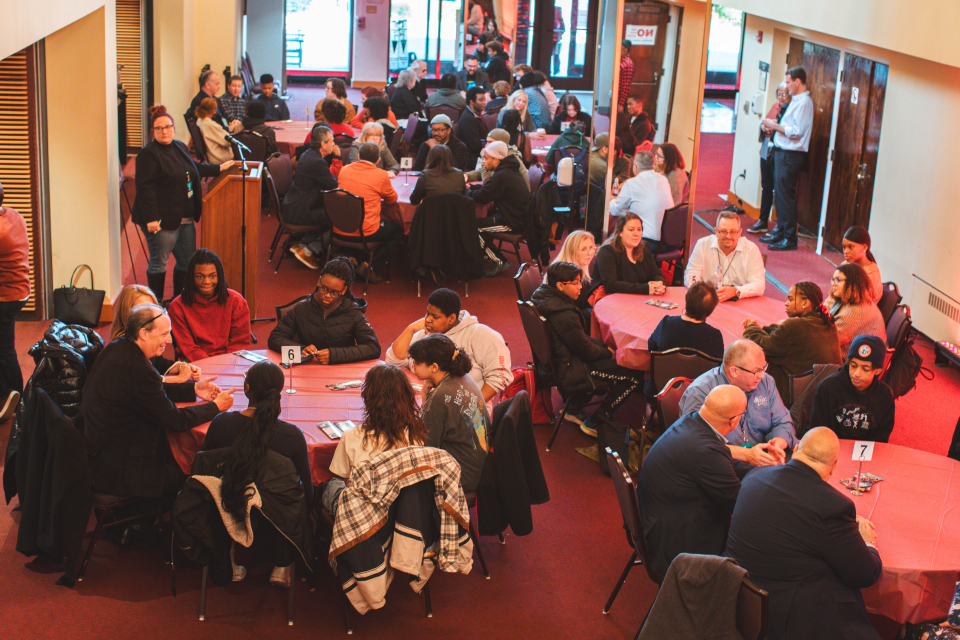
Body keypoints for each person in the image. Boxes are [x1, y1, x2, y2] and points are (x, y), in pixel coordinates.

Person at [725, 427, 883, 640]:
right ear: (834, 465)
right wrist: (868, 542)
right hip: (786, 616)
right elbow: (865, 574)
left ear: (797, 449)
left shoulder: (755, 476)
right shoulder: (834, 506)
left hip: (736, 596)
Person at [80, 303, 234, 502]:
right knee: (200, 475)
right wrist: (215, 407)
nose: (169, 341)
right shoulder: (138, 368)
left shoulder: (118, 347)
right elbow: (175, 420)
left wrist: (193, 389)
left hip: (99, 452)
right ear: (144, 333)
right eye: (164, 334)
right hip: (120, 469)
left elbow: (147, 394)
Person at [202, 360, 311, 587]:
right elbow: (307, 492)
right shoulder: (292, 435)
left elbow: (205, 475)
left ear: (247, 388)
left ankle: (227, 555)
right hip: (276, 516)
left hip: (228, 507)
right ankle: (282, 565)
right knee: (289, 497)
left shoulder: (220, 424)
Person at [638, 384, 747, 578]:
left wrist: (758, 466)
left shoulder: (690, 423)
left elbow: (721, 464)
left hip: (657, 522)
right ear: (734, 421)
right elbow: (740, 504)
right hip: (675, 545)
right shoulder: (706, 450)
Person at [531, 261, 644, 436]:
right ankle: (596, 421)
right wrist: (607, 352)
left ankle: (574, 409)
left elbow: (579, 341)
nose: (580, 287)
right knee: (634, 375)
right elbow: (585, 350)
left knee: (607, 348)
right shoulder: (564, 314)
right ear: (560, 285)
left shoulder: (543, 297)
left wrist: (604, 347)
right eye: (575, 283)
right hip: (570, 369)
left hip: (560, 360)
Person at [132, 106, 232, 303]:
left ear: (174, 127)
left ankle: (179, 302)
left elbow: (195, 168)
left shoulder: (179, 146)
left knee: (187, 263)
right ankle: (156, 304)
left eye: (167, 127)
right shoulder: (148, 154)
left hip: (185, 217)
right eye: (159, 129)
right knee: (159, 264)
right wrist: (151, 219)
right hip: (160, 219)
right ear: (153, 131)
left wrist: (220, 167)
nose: (164, 131)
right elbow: (145, 189)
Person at [385, 288, 513, 412]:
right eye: (427, 313)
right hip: (428, 406)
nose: (428, 319)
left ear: (451, 318)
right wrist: (410, 329)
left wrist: (470, 405)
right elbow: (393, 361)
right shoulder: (424, 333)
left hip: (466, 414)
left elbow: (500, 376)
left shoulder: (481, 334)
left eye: (435, 316)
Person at [322, 363, 425, 514]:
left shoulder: (352, 437)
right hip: (404, 513)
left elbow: (342, 477)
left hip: (363, 516)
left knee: (329, 485)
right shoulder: (418, 436)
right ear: (408, 397)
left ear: (367, 398)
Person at [680, 339, 797, 466]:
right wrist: (747, 454)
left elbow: (783, 422)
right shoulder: (701, 391)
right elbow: (696, 443)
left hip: (764, 459)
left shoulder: (767, 382)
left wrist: (775, 445)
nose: (762, 376)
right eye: (756, 371)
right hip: (724, 463)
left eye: (764, 368)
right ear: (734, 371)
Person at [409, 333, 491, 493]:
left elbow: (426, 446)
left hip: (461, 476)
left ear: (434, 367)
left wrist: (427, 399)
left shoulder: (440, 397)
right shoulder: (464, 378)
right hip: (478, 466)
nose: (413, 367)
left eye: (417, 363)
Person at [743, 281, 843, 404]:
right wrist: (761, 330)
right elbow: (781, 336)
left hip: (794, 396)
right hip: (821, 393)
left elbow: (763, 346)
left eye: (790, 299)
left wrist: (751, 327)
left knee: (754, 360)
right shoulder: (827, 323)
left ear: (805, 302)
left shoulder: (795, 325)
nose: (786, 303)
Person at [267, 257, 381, 363]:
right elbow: (275, 338)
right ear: (319, 281)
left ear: (344, 290)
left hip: (340, 371)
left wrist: (335, 355)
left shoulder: (353, 312)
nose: (327, 295)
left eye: (334, 292)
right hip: (306, 370)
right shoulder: (301, 308)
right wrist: (300, 350)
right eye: (324, 288)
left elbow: (373, 347)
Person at [760, 67, 813, 251]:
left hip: (791, 154)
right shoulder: (796, 101)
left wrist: (775, 126)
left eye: (789, 82)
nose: (787, 85)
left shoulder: (804, 102)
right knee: (780, 195)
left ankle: (789, 238)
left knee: (786, 196)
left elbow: (796, 132)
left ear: (798, 82)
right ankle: (781, 230)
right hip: (782, 152)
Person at [644, 281, 725, 399]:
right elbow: (718, 369)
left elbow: (651, 346)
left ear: (686, 303)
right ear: (710, 311)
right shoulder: (714, 336)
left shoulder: (667, 324)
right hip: (698, 399)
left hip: (661, 394)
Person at [168, 249, 251, 362]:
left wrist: (224, 363)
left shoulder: (236, 301)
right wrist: (211, 364)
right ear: (192, 277)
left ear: (220, 276)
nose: (206, 282)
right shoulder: (177, 307)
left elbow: (239, 342)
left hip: (230, 359)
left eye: (212, 276)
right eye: (200, 277)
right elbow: (187, 347)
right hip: (195, 361)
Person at [809, 335, 895, 442]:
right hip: (830, 449)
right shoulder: (827, 388)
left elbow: (881, 438)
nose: (857, 374)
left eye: (865, 369)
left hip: (865, 454)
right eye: (853, 366)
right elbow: (817, 432)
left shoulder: (885, 395)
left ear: (877, 371)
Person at [335, 143, 401, 279]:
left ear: (358, 156)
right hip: (365, 232)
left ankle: (351, 258)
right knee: (398, 231)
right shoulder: (381, 175)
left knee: (355, 217)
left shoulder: (344, 170)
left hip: (340, 228)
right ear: (378, 160)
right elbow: (392, 200)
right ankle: (368, 265)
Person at [469, 140, 532, 277]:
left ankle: (500, 261)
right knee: (478, 223)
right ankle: (485, 253)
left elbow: (483, 197)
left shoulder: (502, 175)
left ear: (496, 160)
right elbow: (490, 189)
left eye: (486, 158)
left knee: (473, 227)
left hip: (512, 223)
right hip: (513, 217)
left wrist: (466, 192)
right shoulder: (509, 169)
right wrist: (472, 188)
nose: (483, 162)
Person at [282, 124, 341, 269]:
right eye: (331, 141)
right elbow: (334, 185)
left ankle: (301, 245)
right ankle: (309, 250)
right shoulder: (317, 162)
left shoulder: (308, 154)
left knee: (331, 213)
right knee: (339, 218)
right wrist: (338, 157)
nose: (334, 144)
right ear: (323, 144)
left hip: (293, 205)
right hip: (301, 211)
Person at [684, 211, 766, 300]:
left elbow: (759, 285)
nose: (728, 236)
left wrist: (736, 291)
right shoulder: (702, 245)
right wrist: (700, 291)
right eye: (723, 231)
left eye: (733, 232)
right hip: (707, 301)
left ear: (740, 232)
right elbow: (691, 274)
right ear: (716, 231)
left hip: (739, 303)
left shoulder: (751, 250)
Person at [0, 183, 30, 420]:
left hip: (6, 297)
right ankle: (12, 395)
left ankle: (14, 395)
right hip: (19, 290)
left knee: (5, 349)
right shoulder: (13, 214)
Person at [608, 151, 674, 252]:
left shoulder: (632, 183)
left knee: (610, 243)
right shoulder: (664, 180)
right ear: (654, 165)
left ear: (635, 167)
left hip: (646, 243)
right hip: (670, 241)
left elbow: (615, 210)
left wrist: (611, 199)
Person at [748, 82, 790, 235]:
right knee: (766, 186)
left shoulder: (791, 110)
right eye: (779, 94)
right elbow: (765, 122)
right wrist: (764, 127)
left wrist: (774, 126)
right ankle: (763, 220)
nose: (780, 97)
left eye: (784, 94)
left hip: (779, 153)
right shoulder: (775, 106)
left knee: (778, 189)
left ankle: (779, 226)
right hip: (767, 150)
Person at [592, 212, 667, 296]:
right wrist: (646, 289)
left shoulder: (644, 247)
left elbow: (656, 274)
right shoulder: (607, 251)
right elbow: (611, 285)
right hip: (613, 300)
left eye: (639, 229)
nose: (636, 233)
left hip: (637, 298)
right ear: (620, 232)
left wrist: (659, 285)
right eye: (631, 230)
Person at [828, 263, 886, 353]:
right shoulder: (845, 298)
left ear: (852, 283)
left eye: (838, 280)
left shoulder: (854, 312)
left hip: (861, 360)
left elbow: (829, 340)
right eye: (833, 279)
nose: (833, 284)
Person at [548, 230, 599, 312]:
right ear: (571, 251)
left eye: (591, 248)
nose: (589, 253)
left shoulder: (581, 264)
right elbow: (572, 306)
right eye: (583, 249)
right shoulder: (564, 273)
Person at [463, 128, 530, 190]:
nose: (486, 145)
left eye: (490, 142)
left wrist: (485, 156)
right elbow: (483, 171)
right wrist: (467, 176)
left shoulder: (506, 158)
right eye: (487, 142)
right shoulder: (501, 154)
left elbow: (487, 183)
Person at [830, 226, 883, 303]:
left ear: (864, 247)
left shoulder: (872, 273)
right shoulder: (845, 265)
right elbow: (833, 296)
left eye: (850, 247)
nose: (845, 251)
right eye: (844, 247)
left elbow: (862, 304)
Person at [195, 97, 235, 163]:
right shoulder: (211, 125)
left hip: (208, 153)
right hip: (216, 156)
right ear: (214, 110)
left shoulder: (199, 120)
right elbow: (228, 141)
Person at [457, 87, 489, 165]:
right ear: (471, 102)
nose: (484, 102)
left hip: (479, 154)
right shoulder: (468, 119)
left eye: (484, 99)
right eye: (481, 100)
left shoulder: (476, 114)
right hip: (471, 159)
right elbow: (475, 146)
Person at [617, 40, 635, 111]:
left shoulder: (628, 64)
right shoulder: (621, 61)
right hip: (617, 97)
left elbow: (626, 86)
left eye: (620, 48)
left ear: (625, 49)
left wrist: (621, 104)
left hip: (620, 101)